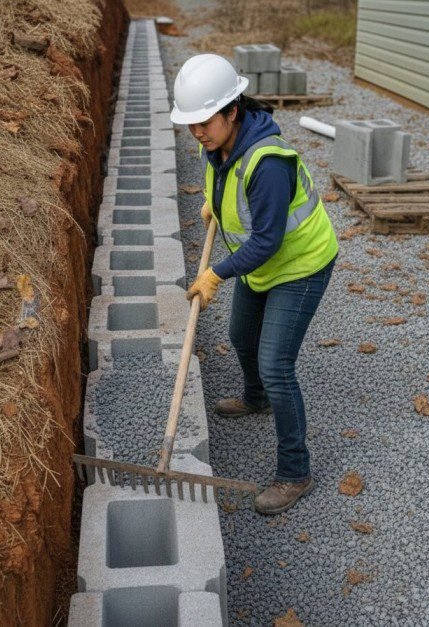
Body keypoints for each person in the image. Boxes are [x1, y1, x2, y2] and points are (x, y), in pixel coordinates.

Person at [170, 54, 339, 515]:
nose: (198, 132)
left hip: (300, 266)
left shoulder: (268, 163)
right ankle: (255, 398)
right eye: (191, 124)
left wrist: (215, 274)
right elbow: (226, 183)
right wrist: (214, 201)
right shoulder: (215, 145)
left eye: (205, 122)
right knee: (241, 335)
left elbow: (266, 240)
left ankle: (295, 473)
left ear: (232, 111)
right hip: (263, 265)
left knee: (276, 365)